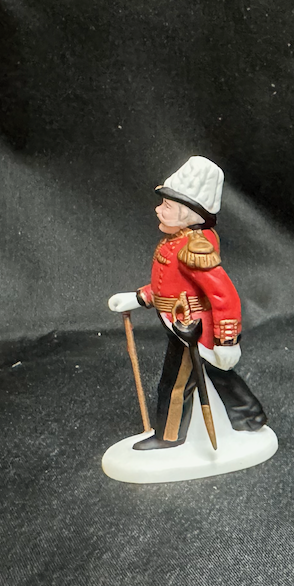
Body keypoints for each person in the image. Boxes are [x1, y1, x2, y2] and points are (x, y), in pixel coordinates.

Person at [107, 156, 267, 449]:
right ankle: (249, 416)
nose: (158, 209)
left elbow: (224, 295)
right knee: (216, 373)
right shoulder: (177, 241)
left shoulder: (194, 247)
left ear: (189, 213)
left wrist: (227, 342)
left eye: (167, 206)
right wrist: (139, 298)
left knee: (175, 384)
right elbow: (171, 286)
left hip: (190, 330)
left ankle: (168, 436)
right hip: (179, 322)